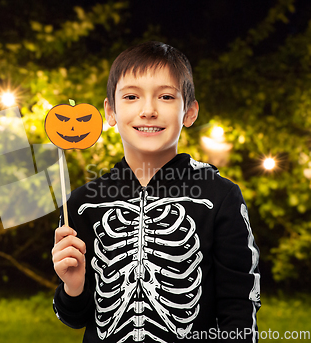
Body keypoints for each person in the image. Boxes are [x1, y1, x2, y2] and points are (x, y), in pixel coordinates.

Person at [51, 41, 261, 343]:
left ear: (189, 112)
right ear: (110, 111)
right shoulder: (82, 203)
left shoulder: (219, 196)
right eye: (132, 96)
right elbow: (74, 317)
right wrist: (73, 285)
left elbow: (240, 308)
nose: (148, 111)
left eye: (165, 96)